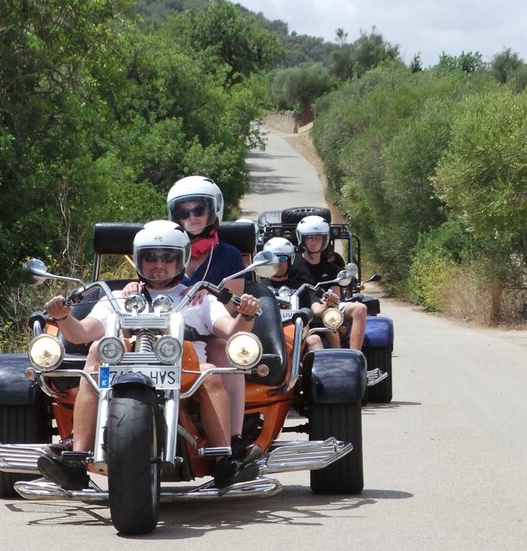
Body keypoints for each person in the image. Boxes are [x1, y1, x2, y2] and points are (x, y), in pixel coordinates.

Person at [37, 220, 262, 490]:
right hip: (122, 372)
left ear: (182, 259)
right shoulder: (118, 296)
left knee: (210, 373)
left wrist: (246, 314)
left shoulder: (200, 297)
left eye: (167, 258)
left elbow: (231, 330)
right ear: (138, 260)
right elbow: (81, 334)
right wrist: (64, 317)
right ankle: (76, 455)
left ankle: (225, 458)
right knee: (97, 349)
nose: (159, 265)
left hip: (186, 374)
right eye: (150, 258)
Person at [125, 176, 253, 458]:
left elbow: (229, 309)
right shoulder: (164, 247)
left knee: (223, 348)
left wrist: (206, 291)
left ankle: (233, 437)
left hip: (207, 329)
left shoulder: (229, 255)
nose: (192, 217)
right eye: (184, 211)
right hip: (159, 331)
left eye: (199, 210)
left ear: (213, 211)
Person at [289, 215, 367, 351]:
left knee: (360, 308)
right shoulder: (292, 265)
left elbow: (335, 298)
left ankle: (354, 357)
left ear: (324, 240)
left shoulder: (332, 269)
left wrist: (330, 302)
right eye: (310, 238)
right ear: (302, 239)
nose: (314, 242)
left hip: (327, 308)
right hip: (299, 308)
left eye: (318, 237)